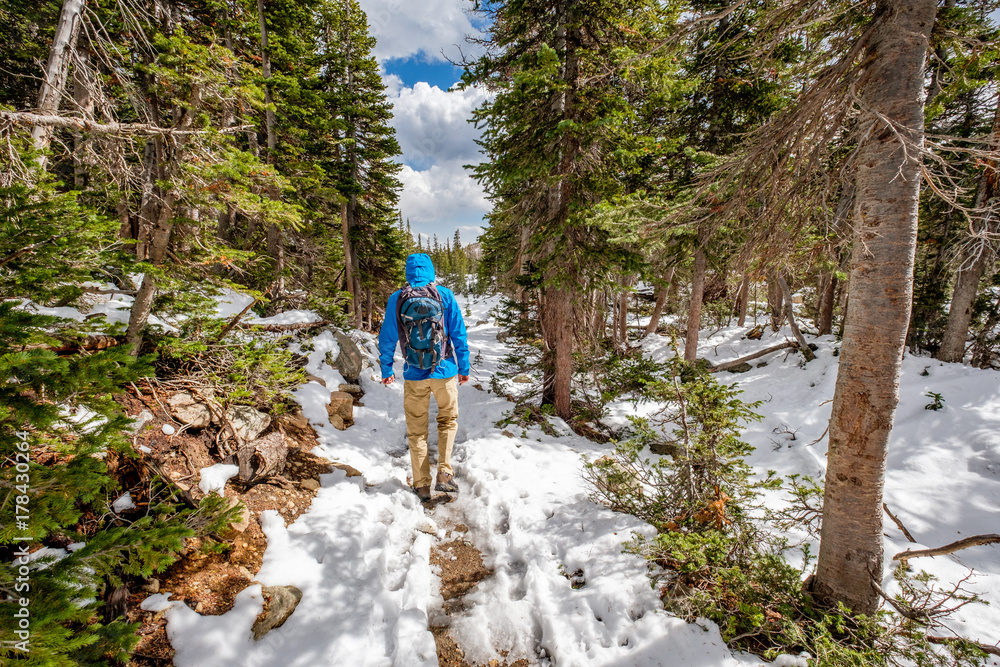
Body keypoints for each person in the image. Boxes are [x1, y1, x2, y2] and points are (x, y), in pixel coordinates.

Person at [378, 253, 470, 502]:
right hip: (444, 371)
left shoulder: (397, 298)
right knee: (447, 421)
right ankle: (445, 474)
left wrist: (387, 369)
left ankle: (421, 485)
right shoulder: (444, 295)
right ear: (431, 271)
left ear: (408, 272)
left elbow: (387, 337)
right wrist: (463, 367)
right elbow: (459, 334)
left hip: (414, 373)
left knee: (416, 431)